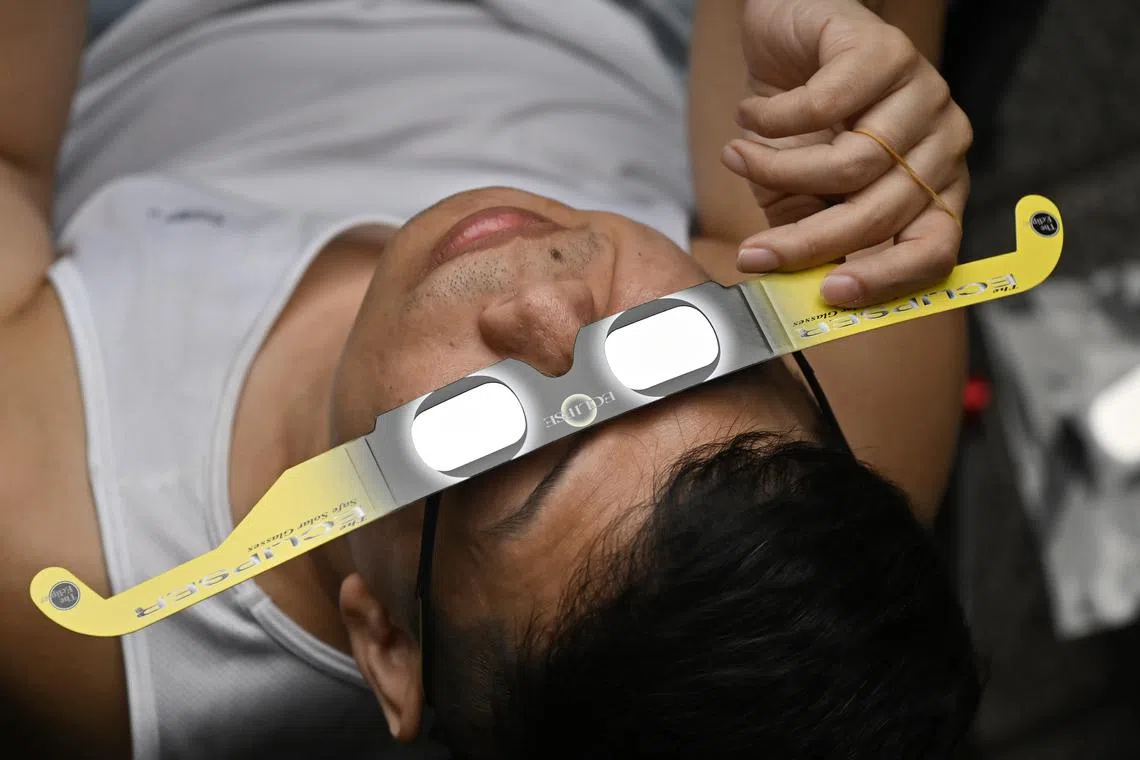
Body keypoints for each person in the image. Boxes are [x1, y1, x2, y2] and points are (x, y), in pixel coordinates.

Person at [0, 0, 978, 757]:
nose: (536, 303)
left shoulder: (58, 553)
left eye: (489, 435)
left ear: (387, 640)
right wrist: (821, 52)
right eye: (677, 345)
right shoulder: (840, 420)